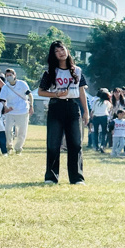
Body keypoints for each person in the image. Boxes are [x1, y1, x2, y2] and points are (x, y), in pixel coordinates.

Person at [37, 41, 89, 185]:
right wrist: (56, 94)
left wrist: (86, 111)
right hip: (56, 106)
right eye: (57, 51)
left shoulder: (77, 70)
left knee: (76, 143)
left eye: (62, 49)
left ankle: (77, 178)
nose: (61, 52)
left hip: (73, 107)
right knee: (53, 143)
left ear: (67, 50)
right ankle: (51, 177)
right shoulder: (50, 71)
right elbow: (40, 92)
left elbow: (81, 92)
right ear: (53, 55)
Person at [0, 68, 33, 153]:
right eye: (7, 75)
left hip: (23, 110)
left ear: (14, 75)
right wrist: (5, 107)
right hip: (10, 111)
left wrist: (31, 106)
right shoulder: (5, 87)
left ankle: (18, 148)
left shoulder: (22, 84)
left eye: (10, 75)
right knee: (8, 130)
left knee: (22, 131)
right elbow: (2, 99)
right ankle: (9, 146)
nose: (9, 77)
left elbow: (29, 95)